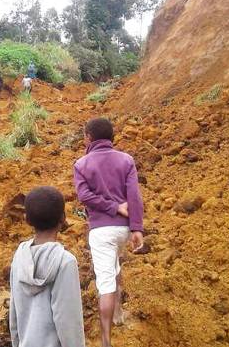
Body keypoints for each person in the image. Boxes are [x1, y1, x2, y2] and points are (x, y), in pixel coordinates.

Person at [72, 117, 144, 347]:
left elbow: (84, 197)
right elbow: (134, 196)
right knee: (114, 265)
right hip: (123, 229)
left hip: (101, 231)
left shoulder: (81, 164)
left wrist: (111, 207)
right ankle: (119, 314)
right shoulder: (126, 160)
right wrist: (136, 228)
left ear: (88, 138)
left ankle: (105, 342)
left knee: (104, 283)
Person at [9, 186, 86, 347]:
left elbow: (14, 314)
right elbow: (68, 321)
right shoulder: (65, 262)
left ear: (27, 219)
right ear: (63, 218)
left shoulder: (19, 257)